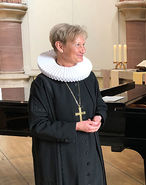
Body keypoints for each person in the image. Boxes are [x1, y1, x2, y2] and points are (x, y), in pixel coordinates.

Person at [29, 23, 108, 185]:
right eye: (77, 45)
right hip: (61, 159)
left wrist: (100, 116)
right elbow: (38, 125)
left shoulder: (88, 77)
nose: (83, 50)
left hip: (89, 152)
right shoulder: (43, 84)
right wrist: (76, 127)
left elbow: (100, 103)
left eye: (83, 44)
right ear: (60, 46)